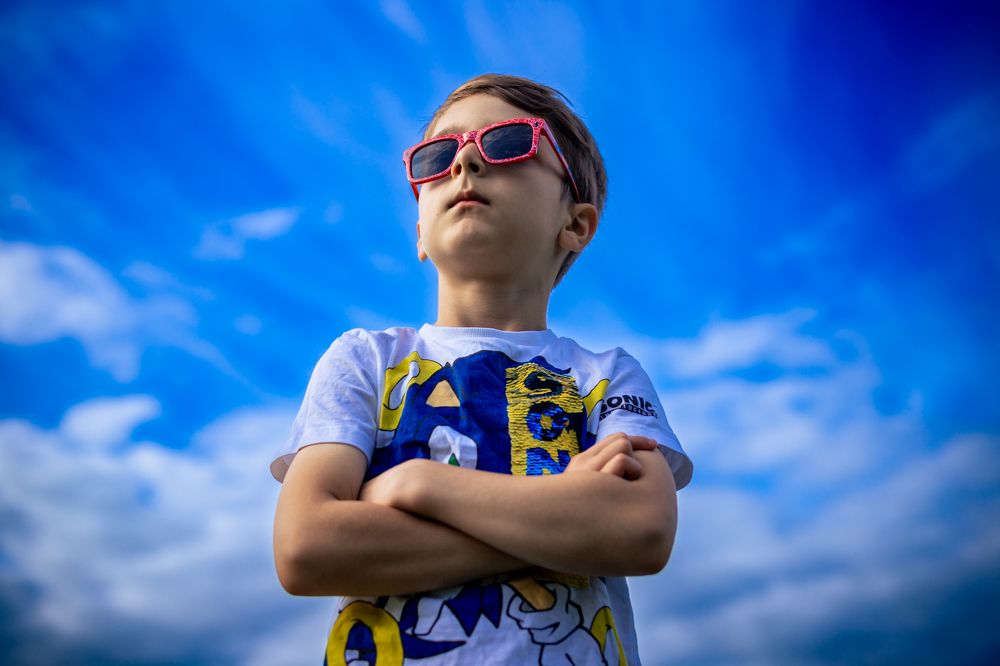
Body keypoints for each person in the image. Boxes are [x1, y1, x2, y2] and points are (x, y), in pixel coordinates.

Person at [270, 73, 693, 665]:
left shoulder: (608, 376)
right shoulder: (364, 361)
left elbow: (641, 531)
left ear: (575, 224)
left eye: (508, 141)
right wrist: (565, 518)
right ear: (420, 230)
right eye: (439, 155)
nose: (466, 160)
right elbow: (305, 547)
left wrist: (418, 485)